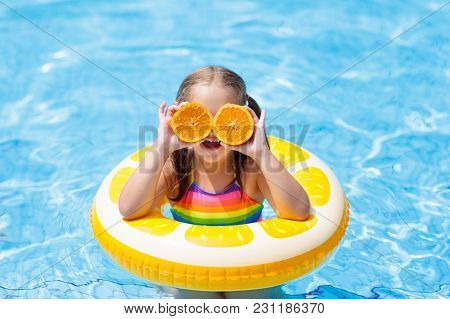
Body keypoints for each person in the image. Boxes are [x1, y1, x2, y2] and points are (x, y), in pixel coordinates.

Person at [118, 65, 310, 298]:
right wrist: (162, 147)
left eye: (223, 119)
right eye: (200, 118)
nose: (211, 131)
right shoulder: (177, 169)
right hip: (192, 271)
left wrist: (261, 154)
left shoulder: (251, 170)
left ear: (244, 117)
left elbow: (298, 213)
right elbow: (129, 209)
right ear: (179, 116)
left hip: (248, 271)